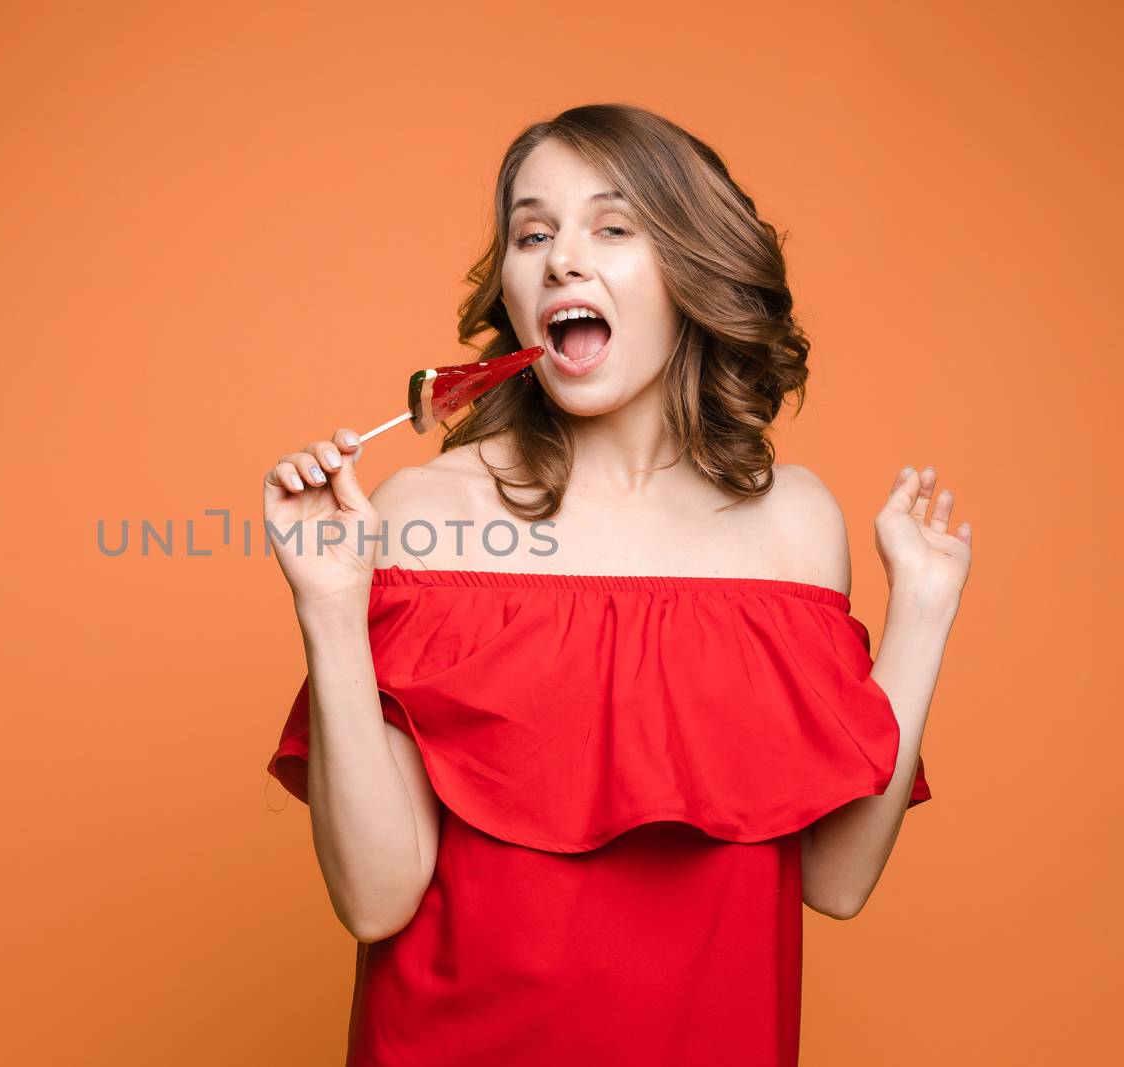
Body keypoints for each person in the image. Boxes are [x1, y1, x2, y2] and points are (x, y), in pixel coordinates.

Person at [261, 103, 972, 1066]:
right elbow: (376, 895)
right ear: (512, 292)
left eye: (613, 226)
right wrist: (332, 609)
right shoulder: (426, 508)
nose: (560, 259)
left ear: (690, 267)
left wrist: (921, 612)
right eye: (532, 232)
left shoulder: (793, 523)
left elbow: (837, 879)